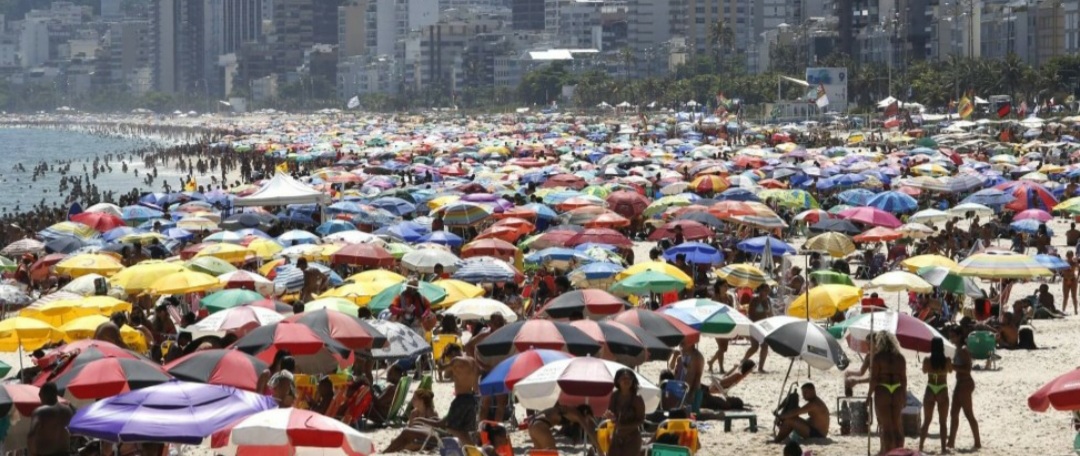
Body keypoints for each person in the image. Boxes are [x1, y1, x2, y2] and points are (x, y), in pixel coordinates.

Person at [383, 344, 481, 452]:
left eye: (449, 357)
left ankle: (472, 450)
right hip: (471, 398)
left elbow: (441, 368)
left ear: (453, 353)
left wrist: (441, 359)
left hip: (460, 400)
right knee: (463, 430)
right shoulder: (472, 361)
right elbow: (476, 383)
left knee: (453, 429)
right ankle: (473, 450)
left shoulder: (456, 360)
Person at [870, 331, 907, 453]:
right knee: (897, 426)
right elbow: (903, 379)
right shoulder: (900, 357)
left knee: (886, 427)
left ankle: (888, 452)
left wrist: (868, 395)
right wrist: (904, 395)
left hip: (883, 389)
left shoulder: (878, 357)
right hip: (897, 389)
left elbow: (874, 379)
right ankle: (899, 452)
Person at [946, 326, 981, 450]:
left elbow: (967, 369)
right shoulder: (958, 349)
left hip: (965, 383)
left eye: (953, 336)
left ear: (959, 336)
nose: (951, 338)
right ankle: (951, 442)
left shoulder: (963, 350)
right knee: (953, 413)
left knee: (968, 414)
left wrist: (953, 367)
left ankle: (977, 442)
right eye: (950, 336)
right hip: (960, 382)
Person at [919, 337, 953, 454]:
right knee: (943, 422)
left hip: (930, 388)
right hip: (942, 388)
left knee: (927, 421)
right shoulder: (947, 360)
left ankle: (921, 446)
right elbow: (950, 371)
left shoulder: (927, 360)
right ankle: (943, 448)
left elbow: (924, 371)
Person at [604, 368, 646, 456]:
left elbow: (641, 420)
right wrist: (609, 415)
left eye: (629, 378)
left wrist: (624, 426)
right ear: (618, 381)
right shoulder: (614, 396)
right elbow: (610, 412)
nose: (626, 381)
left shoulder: (637, 398)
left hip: (632, 437)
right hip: (616, 436)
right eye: (623, 378)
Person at [527, 404, 600, 452]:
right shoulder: (577, 414)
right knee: (552, 452)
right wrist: (600, 451)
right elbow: (590, 432)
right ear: (585, 412)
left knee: (540, 453)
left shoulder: (568, 410)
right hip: (540, 425)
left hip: (532, 425)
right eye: (588, 418)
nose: (586, 421)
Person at [27, 382, 74, 456]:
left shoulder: (40, 412)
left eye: (40, 395)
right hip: (65, 453)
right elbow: (72, 431)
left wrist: (32, 453)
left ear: (43, 395)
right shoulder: (68, 410)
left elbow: (31, 435)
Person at [670, 336, 704, 414]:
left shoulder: (697, 357)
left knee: (692, 414)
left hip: (692, 390)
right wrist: (674, 357)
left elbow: (698, 376)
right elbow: (673, 370)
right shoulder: (680, 356)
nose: (681, 344)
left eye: (684, 342)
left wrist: (692, 392)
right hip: (679, 389)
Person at [743, 284, 772, 372]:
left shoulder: (768, 300)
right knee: (754, 347)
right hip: (755, 325)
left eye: (768, 291)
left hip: (764, 325)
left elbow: (770, 313)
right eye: (765, 290)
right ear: (760, 290)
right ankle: (743, 361)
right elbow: (751, 313)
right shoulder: (754, 299)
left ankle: (761, 367)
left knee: (765, 346)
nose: (767, 292)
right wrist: (763, 311)